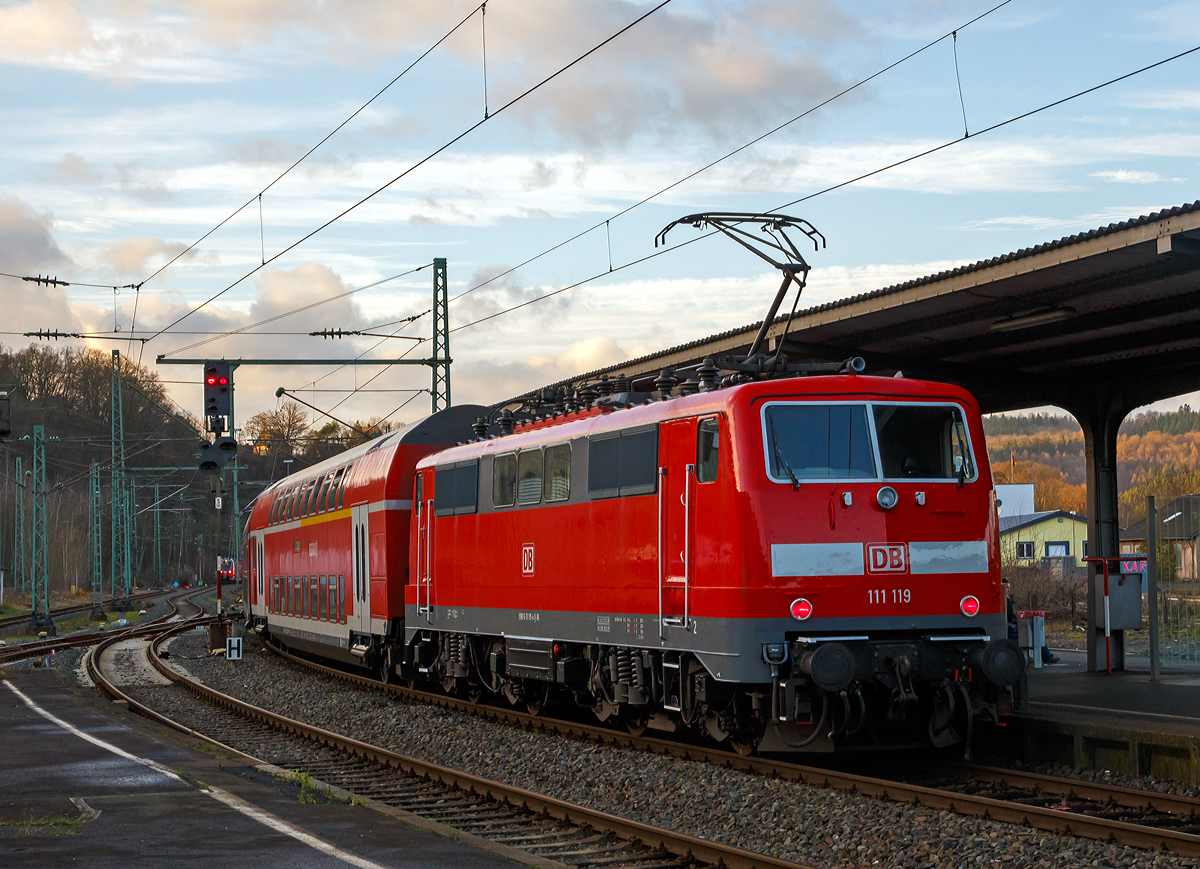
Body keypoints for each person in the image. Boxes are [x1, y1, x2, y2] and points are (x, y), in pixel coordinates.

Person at [1006, 590, 1060, 664]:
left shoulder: (1006, 600)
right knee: (1036, 635)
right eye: (1007, 587)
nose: (1009, 589)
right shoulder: (1005, 601)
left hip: (1011, 627)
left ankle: (1046, 656)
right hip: (1011, 628)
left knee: (1035, 634)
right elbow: (1010, 616)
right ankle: (1047, 657)